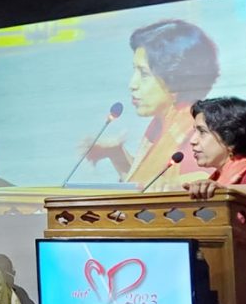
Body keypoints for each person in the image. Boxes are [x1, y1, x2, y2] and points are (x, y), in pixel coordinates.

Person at [84, 19, 218, 189]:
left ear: (174, 78)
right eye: (135, 71)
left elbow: (187, 191)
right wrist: (116, 154)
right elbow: (147, 186)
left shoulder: (195, 135)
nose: (132, 84)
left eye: (144, 74)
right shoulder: (160, 124)